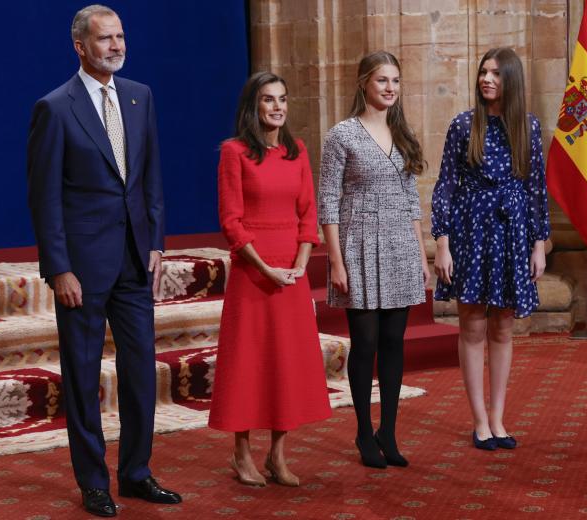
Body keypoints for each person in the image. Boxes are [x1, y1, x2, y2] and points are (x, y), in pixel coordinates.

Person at [26, 5, 180, 516]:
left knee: (140, 375)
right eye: (105, 39)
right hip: (82, 270)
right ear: (80, 47)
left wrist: (156, 241)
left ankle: (136, 473)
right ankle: (94, 481)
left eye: (120, 37)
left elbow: (150, 177)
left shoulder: (141, 96)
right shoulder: (55, 107)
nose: (116, 46)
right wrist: (59, 267)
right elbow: (44, 197)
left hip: (136, 260)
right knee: (83, 377)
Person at [208, 72, 332, 487]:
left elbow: (308, 215)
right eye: (268, 100)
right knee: (249, 364)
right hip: (253, 273)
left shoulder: (297, 151)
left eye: (282, 99)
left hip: (290, 275)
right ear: (253, 106)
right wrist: (266, 269)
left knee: (287, 365)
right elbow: (231, 221)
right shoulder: (234, 152)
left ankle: (277, 455)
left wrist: (298, 267)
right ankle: (241, 453)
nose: (277, 107)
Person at [431, 47, 550, 451]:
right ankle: (479, 420)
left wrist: (539, 244)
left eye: (496, 74)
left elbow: (536, 189)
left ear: (510, 80)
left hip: (513, 232)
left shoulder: (528, 128)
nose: (487, 79)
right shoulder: (463, 125)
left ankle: (499, 418)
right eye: (484, 72)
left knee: (503, 325)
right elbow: (445, 185)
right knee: (473, 324)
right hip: (470, 231)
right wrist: (441, 243)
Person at [318, 51, 429, 469]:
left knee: (393, 344)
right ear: (364, 82)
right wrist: (336, 261)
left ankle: (389, 430)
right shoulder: (341, 135)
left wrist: (421, 256)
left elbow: (412, 201)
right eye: (382, 80)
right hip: (359, 246)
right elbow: (328, 201)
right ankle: (364, 431)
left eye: (396, 81)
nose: (390, 88)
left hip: (401, 245)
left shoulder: (403, 134)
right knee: (364, 343)